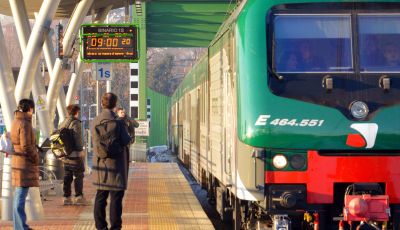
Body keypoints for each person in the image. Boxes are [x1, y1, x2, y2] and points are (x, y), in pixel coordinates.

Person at [91, 93, 132, 230]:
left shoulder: (95, 121)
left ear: (102, 104)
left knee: (101, 197)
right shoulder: (118, 122)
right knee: (116, 198)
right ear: (115, 104)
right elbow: (127, 140)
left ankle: (100, 226)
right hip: (117, 165)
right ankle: (115, 227)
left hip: (101, 164)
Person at [10, 99, 38, 230]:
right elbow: (26, 145)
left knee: (18, 196)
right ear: (30, 109)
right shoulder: (25, 123)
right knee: (20, 196)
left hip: (18, 161)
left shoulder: (15, 121)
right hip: (24, 163)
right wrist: (35, 156)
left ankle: (19, 226)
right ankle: (21, 227)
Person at [59, 104, 86, 205]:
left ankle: (66, 197)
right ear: (76, 112)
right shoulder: (75, 123)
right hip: (74, 154)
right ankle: (79, 197)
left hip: (65, 154)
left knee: (67, 175)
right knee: (78, 175)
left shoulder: (63, 123)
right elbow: (78, 138)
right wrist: (80, 150)